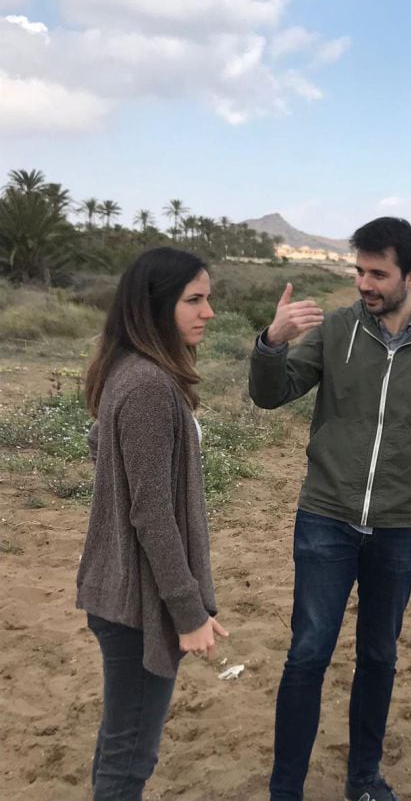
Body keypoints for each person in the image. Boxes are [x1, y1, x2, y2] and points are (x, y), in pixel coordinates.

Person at [250, 216, 411, 801]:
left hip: (400, 526)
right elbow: (271, 393)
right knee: (308, 652)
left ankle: (363, 778)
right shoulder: (337, 330)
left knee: (379, 655)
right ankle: (285, 790)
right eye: (359, 270)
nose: (364, 282)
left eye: (377, 273)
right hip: (326, 517)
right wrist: (271, 342)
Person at [78, 247, 228, 799]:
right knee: (129, 759)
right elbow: (152, 514)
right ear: (155, 307)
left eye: (207, 298)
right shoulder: (147, 386)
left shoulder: (128, 371)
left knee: (121, 743)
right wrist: (188, 613)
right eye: (194, 300)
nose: (208, 312)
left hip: (119, 593)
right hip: (138, 605)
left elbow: (103, 447)